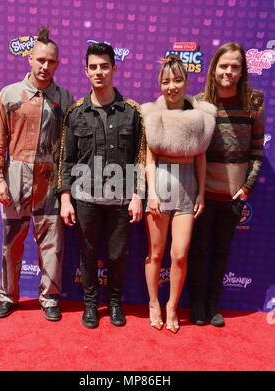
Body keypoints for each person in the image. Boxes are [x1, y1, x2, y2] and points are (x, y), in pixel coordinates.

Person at [0, 26, 74, 321]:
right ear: (30, 59)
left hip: (49, 180)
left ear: (57, 64)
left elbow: (67, 148)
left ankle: (50, 298)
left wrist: (65, 189)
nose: (45, 66)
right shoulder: (9, 94)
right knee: (11, 241)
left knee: (52, 243)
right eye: (40, 60)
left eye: (51, 61)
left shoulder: (65, 97)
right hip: (15, 177)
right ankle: (7, 296)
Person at [57, 42, 145, 329]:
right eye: (93, 67)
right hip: (85, 200)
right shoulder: (75, 114)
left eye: (104, 66)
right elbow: (66, 160)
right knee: (88, 254)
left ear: (114, 68)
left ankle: (116, 303)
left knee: (118, 255)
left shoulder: (132, 112)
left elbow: (140, 157)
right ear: (86, 71)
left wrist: (137, 195)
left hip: (121, 200)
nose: (99, 72)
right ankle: (92, 305)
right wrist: (66, 198)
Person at [188, 42, 265, 327]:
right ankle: (196, 305)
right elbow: (193, 152)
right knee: (198, 250)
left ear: (242, 71)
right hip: (203, 196)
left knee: (221, 253)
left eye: (235, 66)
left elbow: (257, 151)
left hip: (234, 197)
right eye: (224, 66)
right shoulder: (199, 103)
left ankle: (212, 305)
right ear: (213, 69)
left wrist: (247, 187)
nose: (228, 72)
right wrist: (197, 191)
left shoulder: (254, 103)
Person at [141, 55, 216, 333]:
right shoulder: (151, 115)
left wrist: (201, 194)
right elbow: (148, 159)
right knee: (156, 252)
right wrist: (151, 193)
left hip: (188, 191)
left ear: (186, 81)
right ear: (160, 84)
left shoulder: (200, 117)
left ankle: (172, 305)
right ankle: (153, 302)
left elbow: (201, 159)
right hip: (159, 188)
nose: (171, 86)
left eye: (177, 80)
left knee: (180, 254)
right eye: (165, 81)